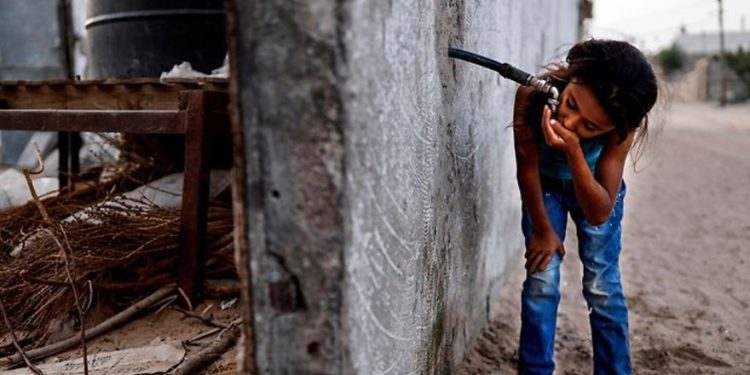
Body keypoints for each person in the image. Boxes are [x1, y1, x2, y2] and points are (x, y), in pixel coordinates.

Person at [512, 39, 658, 375]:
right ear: (573, 75)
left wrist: (575, 153)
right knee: (541, 281)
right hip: (544, 187)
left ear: (616, 128)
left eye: (591, 127)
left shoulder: (623, 128)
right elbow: (527, 167)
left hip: (595, 192)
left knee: (602, 287)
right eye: (572, 103)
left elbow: (599, 212)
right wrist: (543, 230)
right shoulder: (531, 94)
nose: (571, 121)